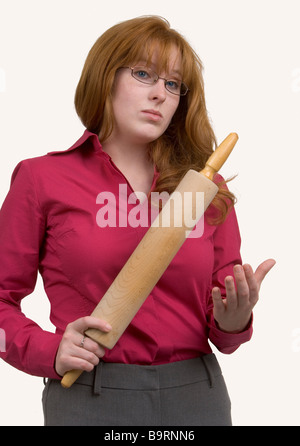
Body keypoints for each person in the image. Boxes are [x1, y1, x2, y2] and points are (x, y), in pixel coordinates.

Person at [0, 16, 275, 426]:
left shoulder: (205, 189)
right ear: (104, 77)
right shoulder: (42, 179)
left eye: (172, 84)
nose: (160, 95)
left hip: (197, 396)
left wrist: (233, 319)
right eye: (144, 74)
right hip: (87, 394)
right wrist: (48, 351)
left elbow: (224, 330)